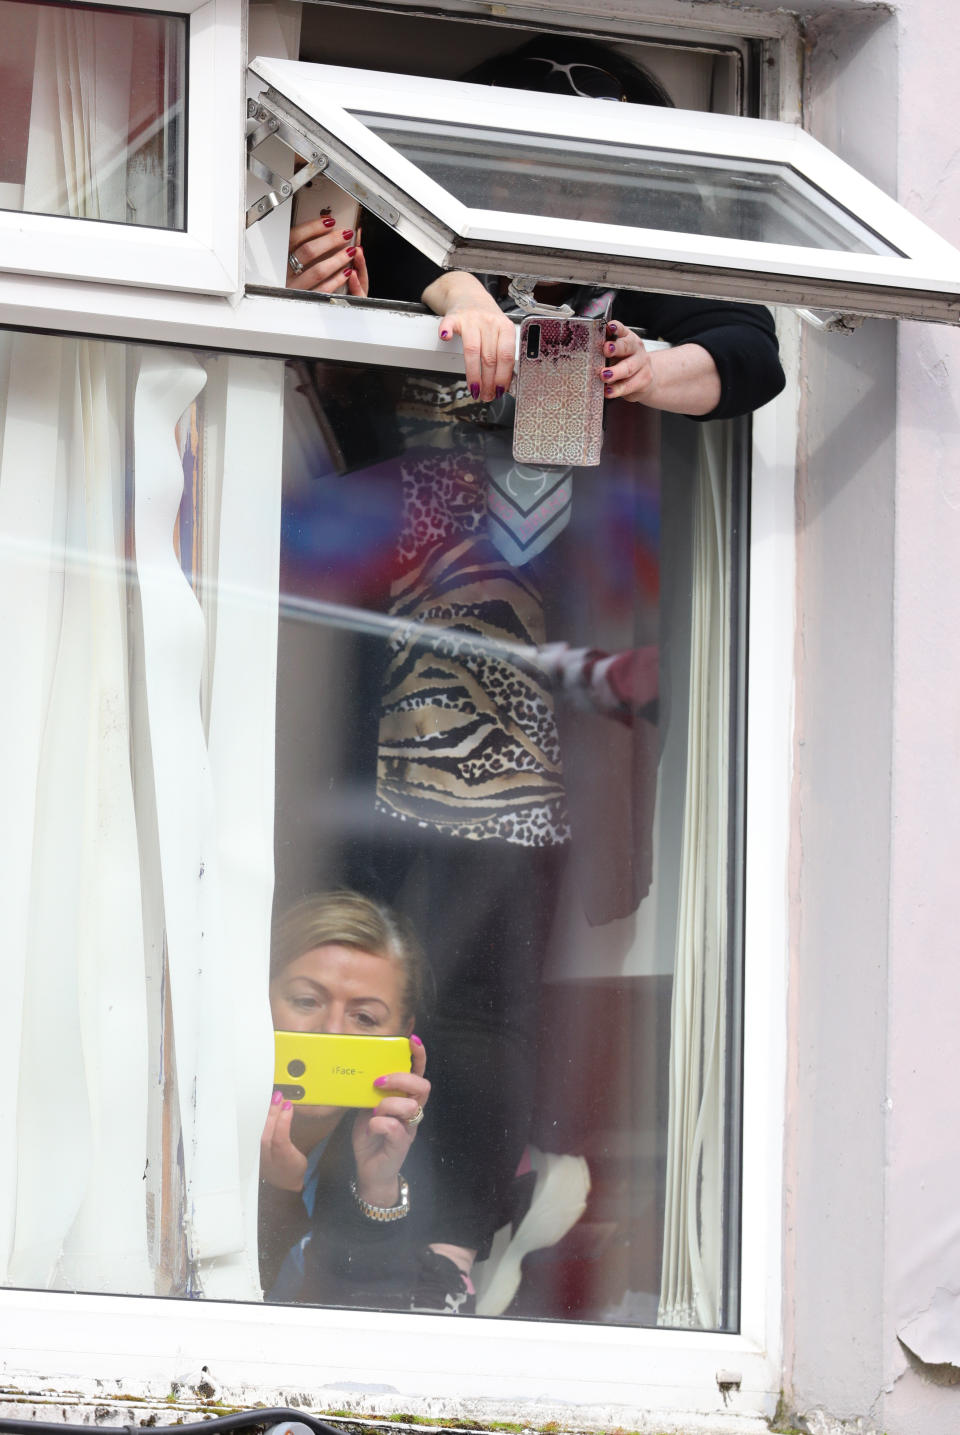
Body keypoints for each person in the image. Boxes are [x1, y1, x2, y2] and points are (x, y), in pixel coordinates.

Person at [282, 35, 786, 1316]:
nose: (578, 195)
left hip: (535, 724)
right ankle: (344, 1226)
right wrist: (451, 296)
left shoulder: (629, 288)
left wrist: (642, 372)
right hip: (393, 695)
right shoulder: (411, 238)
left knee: (494, 1000)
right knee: (360, 974)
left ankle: (458, 1237)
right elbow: (361, 268)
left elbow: (753, 350)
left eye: (605, 173)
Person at [258, 891, 444, 1310]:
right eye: (306, 1000)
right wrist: (276, 1194)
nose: (331, 1030)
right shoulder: (201, 1120)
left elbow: (370, 1335)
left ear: (402, 1034)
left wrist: (378, 1187)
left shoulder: (396, 1144)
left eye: (364, 1018)